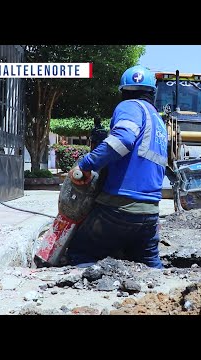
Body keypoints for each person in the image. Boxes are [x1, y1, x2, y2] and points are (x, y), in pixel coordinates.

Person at [66, 65, 168, 269]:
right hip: (149, 214)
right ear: (152, 93)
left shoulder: (129, 107)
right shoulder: (159, 122)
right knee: (149, 263)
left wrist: (85, 164)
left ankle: (93, 293)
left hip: (118, 209)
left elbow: (124, 139)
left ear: (123, 92)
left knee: (80, 251)